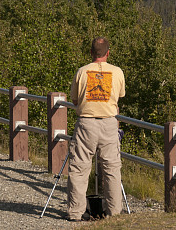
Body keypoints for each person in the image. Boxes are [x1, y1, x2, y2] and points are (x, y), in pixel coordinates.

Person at [66, 37, 126, 221]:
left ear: (91, 52)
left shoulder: (82, 71)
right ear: (108, 53)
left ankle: (76, 212)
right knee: (112, 169)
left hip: (86, 123)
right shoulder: (117, 72)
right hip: (109, 123)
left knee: (79, 168)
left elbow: (74, 99)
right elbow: (120, 95)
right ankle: (114, 212)